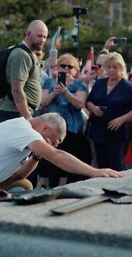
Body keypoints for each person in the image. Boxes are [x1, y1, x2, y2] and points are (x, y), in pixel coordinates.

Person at [0, 113, 124, 212]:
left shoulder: (20, 128)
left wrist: (36, 157)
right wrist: (94, 171)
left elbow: (18, 176)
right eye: (55, 140)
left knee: (24, 184)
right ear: (45, 128)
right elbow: (57, 156)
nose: (52, 144)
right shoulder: (25, 131)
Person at [38, 53, 91, 186]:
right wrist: (54, 92)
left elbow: (80, 104)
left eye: (70, 66)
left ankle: (63, 188)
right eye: (63, 65)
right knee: (48, 159)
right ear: (58, 67)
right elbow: (42, 102)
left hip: (71, 128)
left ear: (75, 70)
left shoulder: (79, 84)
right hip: (50, 128)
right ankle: (47, 187)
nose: (66, 69)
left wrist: (66, 93)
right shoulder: (49, 82)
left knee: (68, 159)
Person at [86, 52, 132, 171]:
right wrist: (93, 109)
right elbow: (88, 101)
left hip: (116, 132)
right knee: (102, 166)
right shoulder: (100, 83)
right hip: (98, 129)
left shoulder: (127, 87)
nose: (111, 70)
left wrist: (121, 120)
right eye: (109, 67)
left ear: (121, 68)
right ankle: (102, 189)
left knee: (115, 166)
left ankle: (115, 189)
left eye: (115, 67)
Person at [0, 20, 48, 122]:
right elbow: (17, 90)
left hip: (20, 114)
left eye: (45, 37)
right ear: (28, 34)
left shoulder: (30, 54)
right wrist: (28, 118)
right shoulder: (21, 55)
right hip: (15, 114)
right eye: (39, 36)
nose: (42, 40)